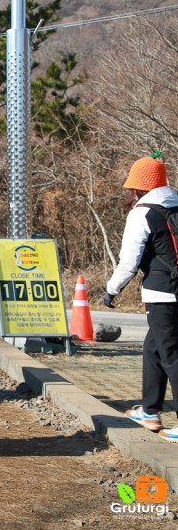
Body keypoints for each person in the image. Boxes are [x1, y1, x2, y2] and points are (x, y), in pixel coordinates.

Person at [104, 154, 178, 441]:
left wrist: (112, 289)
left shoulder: (142, 212)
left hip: (163, 292)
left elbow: (129, 260)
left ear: (137, 187)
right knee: (153, 348)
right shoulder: (174, 205)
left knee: (172, 355)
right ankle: (149, 411)